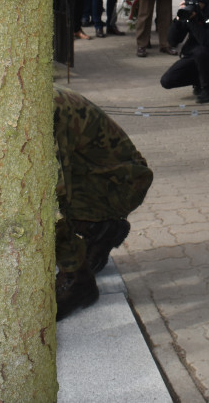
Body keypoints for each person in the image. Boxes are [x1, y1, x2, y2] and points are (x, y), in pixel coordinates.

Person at [53, 85, 153, 320]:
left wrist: (69, 261)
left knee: (37, 203)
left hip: (120, 185)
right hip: (101, 178)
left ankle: (77, 282)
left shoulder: (40, 111)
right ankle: (101, 229)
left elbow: (51, 198)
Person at [159, 0, 209, 103]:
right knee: (167, 81)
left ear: (202, 3)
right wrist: (177, 20)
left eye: (194, 4)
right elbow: (173, 41)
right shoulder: (189, 14)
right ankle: (199, 80)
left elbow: (207, 42)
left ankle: (207, 89)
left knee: (200, 52)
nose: (192, 7)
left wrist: (192, 22)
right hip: (193, 56)